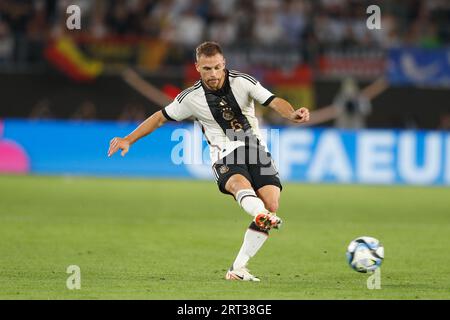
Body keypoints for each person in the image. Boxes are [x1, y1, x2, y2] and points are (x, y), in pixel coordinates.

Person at [108, 41, 310, 281]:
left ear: (223, 64)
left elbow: (274, 101)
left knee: (272, 204)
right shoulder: (190, 98)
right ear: (197, 68)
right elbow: (160, 118)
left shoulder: (243, 81)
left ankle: (238, 268)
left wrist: (292, 113)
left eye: (216, 67)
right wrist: (129, 139)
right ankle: (259, 213)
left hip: (256, 149)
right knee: (239, 185)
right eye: (207, 69)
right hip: (224, 152)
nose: (213, 74)